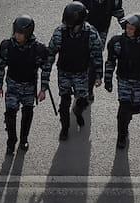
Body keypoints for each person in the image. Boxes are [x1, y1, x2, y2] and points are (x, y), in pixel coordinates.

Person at [44, 2, 104, 141]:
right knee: (64, 102)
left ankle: (78, 111)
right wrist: (45, 76)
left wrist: (99, 75)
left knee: (82, 100)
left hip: (81, 73)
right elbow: (50, 54)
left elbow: (97, 55)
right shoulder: (59, 32)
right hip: (64, 72)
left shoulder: (91, 33)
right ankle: (65, 128)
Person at [104, 13, 140, 149]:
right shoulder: (117, 42)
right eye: (127, 27)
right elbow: (111, 61)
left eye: (131, 28)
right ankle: (122, 135)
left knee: (136, 108)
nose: (128, 30)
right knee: (123, 109)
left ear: (139, 29)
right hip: (123, 79)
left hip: (139, 81)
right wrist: (108, 78)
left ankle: (126, 120)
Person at [0, 15, 49, 154]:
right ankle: (11, 141)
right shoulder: (7, 46)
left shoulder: (38, 49)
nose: (17, 35)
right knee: (10, 114)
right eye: (16, 32)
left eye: (21, 33)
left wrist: (43, 89)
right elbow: (0, 66)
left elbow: (46, 69)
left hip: (29, 87)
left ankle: (24, 139)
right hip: (12, 85)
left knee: (27, 114)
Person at [76, 0, 126, 101]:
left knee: (94, 59)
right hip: (83, 30)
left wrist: (129, 29)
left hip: (101, 30)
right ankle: (79, 85)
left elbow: (118, 12)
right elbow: (75, 9)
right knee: (80, 58)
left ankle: (89, 89)